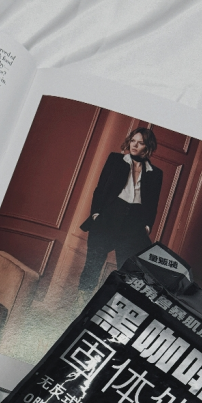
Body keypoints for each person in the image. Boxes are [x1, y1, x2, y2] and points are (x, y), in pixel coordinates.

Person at [78, 127, 163, 296]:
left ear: (148, 147)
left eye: (140, 143)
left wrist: (147, 226)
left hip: (134, 222)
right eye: (133, 141)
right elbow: (100, 189)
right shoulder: (115, 160)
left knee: (129, 272)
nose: (134, 145)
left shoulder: (156, 173)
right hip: (109, 217)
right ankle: (81, 303)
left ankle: (117, 304)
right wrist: (96, 214)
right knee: (93, 265)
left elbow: (153, 203)